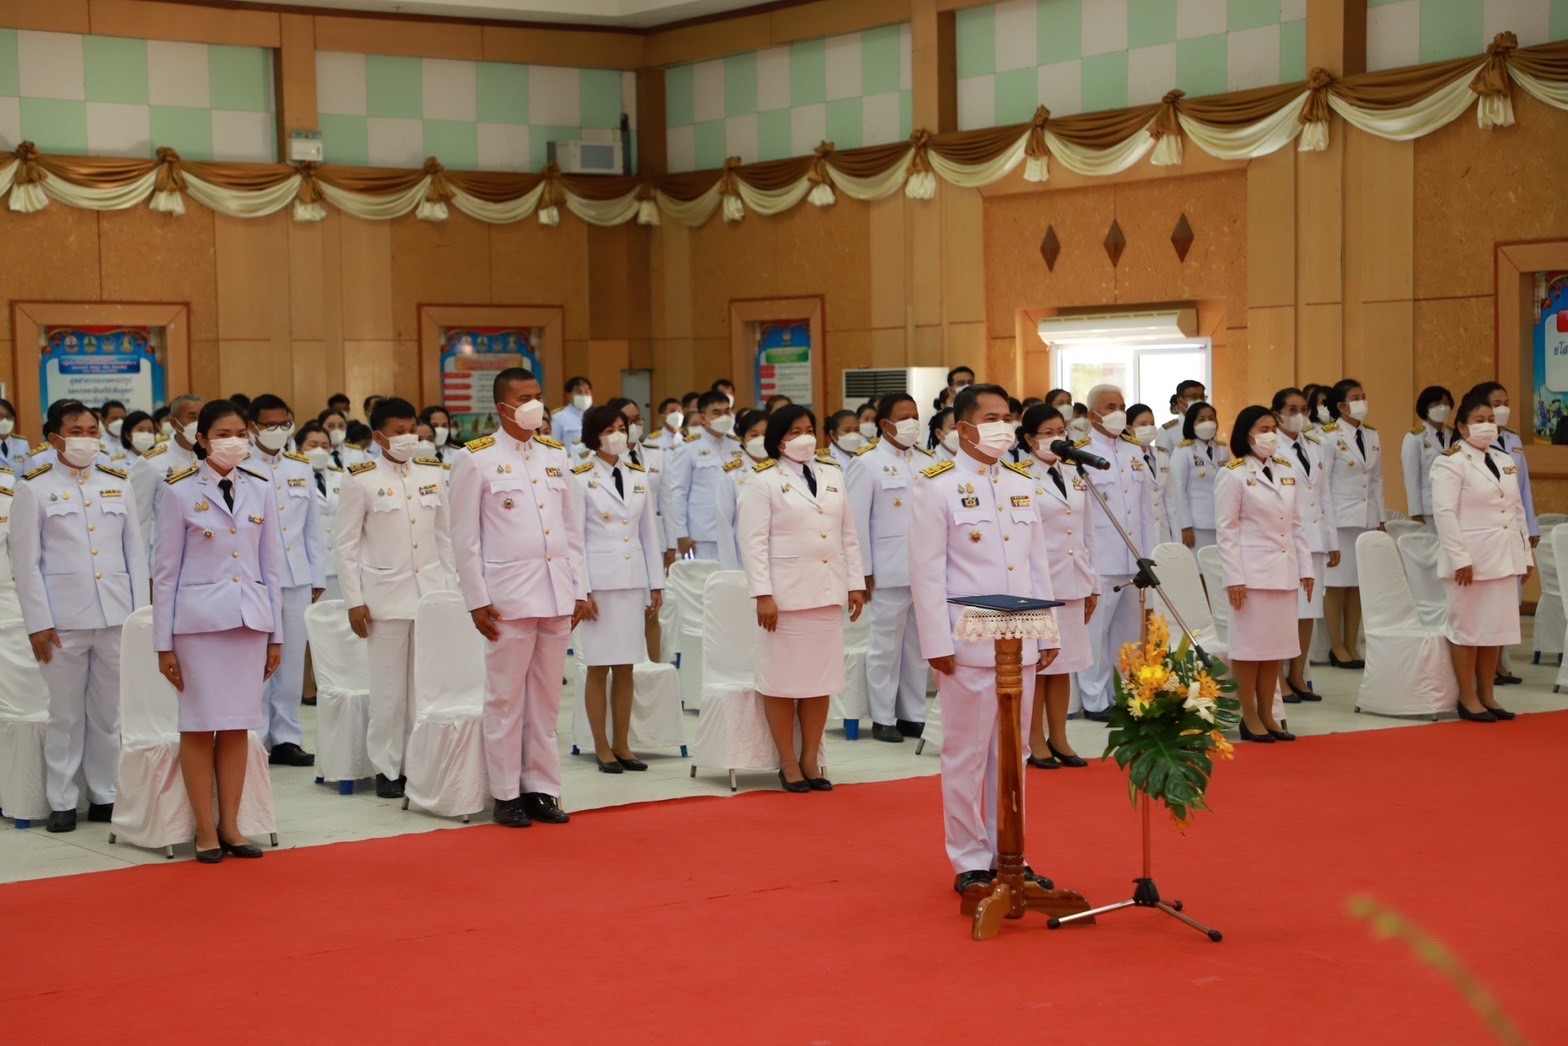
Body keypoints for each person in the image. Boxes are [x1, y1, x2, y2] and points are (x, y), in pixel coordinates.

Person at [908, 383, 1058, 891]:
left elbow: (1036, 563)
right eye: (992, 417)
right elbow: (927, 571)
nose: (1004, 426)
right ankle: (969, 859)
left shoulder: (1020, 481)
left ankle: (1008, 850)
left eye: (1008, 416)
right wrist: (937, 642)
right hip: (968, 642)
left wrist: (1047, 629)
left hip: (1020, 641)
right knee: (967, 754)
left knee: (1013, 753)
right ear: (965, 427)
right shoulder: (937, 485)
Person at [450, 368, 586, 828]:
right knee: (505, 699)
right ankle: (506, 792)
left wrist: (579, 589)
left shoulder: (555, 455)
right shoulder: (477, 458)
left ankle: (543, 789)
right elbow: (464, 538)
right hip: (507, 597)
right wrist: (476, 599)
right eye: (524, 398)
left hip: (556, 593)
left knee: (546, 700)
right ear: (503, 407)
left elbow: (572, 529)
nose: (534, 405)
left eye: (538, 396)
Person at [154, 399, 282, 862]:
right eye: (223, 434)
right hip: (198, 628)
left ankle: (231, 825)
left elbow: (272, 567)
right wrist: (162, 643)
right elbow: (165, 573)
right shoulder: (179, 491)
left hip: (249, 624)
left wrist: (277, 634)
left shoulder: (261, 488)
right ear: (202, 439)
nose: (235, 442)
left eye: (240, 434)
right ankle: (205, 830)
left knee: (237, 728)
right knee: (198, 726)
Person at [11, 401, 148, 833]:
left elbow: (135, 555)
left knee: (109, 713)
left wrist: (139, 617)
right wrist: (37, 622)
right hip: (61, 621)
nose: (87, 438)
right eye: (77, 430)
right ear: (54, 438)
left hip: (115, 615)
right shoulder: (33, 489)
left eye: (92, 430)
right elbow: (25, 563)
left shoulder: (116, 483)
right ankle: (63, 799)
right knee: (66, 715)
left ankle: (105, 793)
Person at [737, 405, 866, 791]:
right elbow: (754, 543)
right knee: (782, 682)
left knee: (818, 682)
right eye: (795, 431)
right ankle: (788, 762)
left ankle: (811, 759)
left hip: (827, 590)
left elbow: (848, 535)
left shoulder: (832, 475)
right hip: (786, 596)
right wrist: (763, 594)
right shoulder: (762, 481)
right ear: (777, 440)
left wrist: (855, 584)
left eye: (809, 429)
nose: (805, 437)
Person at [334, 397, 454, 799]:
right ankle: (388, 767)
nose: (408, 437)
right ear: (378, 436)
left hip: (431, 595)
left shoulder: (432, 473)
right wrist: (354, 599)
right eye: (398, 431)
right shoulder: (361, 477)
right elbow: (346, 545)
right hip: (384, 598)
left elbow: (445, 538)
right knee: (388, 692)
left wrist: (452, 592)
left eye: (412, 429)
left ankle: (418, 761)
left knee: (425, 688)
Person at [570, 405, 664, 773]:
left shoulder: (639, 475)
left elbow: (649, 533)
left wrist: (656, 584)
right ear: (594, 435)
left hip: (631, 581)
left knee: (626, 666)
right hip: (599, 585)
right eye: (610, 428)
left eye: (622, 427)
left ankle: (624, 744)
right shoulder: (580, 477)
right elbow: (574, 540)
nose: (618, 434)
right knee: (598, 667)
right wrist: (582, 591)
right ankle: (602, 746)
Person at [1214, 406, 1314, 743]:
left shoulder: (1286, 470)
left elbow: (1297, 524)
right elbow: (1226, 530)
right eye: (1263, 428)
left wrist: (1306, 569)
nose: (1270, 434)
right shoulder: (1233, 473)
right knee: (1249, 649)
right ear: (1247, 434)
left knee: (1275, 647)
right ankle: (1250, 715)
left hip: (1283, 573)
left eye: (1274, 427)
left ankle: (1270, 715)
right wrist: (1234, 577)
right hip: (1251, 575)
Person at [1431, 392, 1532, 721]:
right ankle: (1468, 695)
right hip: (1469, 562)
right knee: (1469, 630)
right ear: (1461, 427)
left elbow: (1516, 511)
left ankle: (1488, 693)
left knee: (1495, 631)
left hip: (1503, 557)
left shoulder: (1504, 460)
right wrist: (1460, 557)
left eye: (1491, 420)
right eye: (1479, 421)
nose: (1487, 426)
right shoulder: (1450, 461)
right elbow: (1444, 513)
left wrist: (1524, 556)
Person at [847, 392, 932, 744]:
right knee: (885, 646)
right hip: (886, 571)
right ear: (884, 424)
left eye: (915, 415)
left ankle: (912, 714)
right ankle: (883, 716)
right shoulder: (866, 463)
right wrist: (861, 572)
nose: (912, 422)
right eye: (903, 416)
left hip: (924, 570)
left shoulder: (927, 461)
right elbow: (854, 523)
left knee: (917, 647)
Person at [1016, 404, 1096, 769]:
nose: (1056, 438)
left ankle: (1059, 736)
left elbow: (1087, 531)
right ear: (1030, 438)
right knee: (1037, 665)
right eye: (1046, 433)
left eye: (1060, 430)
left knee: (1063, 665)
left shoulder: (1076, 474)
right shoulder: (1018, 477)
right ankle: (1034, 739)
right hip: (1039, 584)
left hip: (1073, 578)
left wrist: (1091, 582)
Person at [246, 394, 324, 766]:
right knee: (257, 660)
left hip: (295, 577)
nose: (278, 431)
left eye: (284, 423)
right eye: (269, 424)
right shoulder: (240, 465)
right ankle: (255, 737)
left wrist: (317, 575)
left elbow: (312, 527)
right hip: (254, 579)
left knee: (291, 662)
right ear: (252, 427)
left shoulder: (300, 466)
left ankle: (287, 737)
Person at [1077, 384, 1154, 722]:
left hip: (1132, 557)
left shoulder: (1134, 450)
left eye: (1121, 405)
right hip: (1101, 559)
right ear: (1093, 414)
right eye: (1110, 406)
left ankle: (1128, 694)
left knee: (1128, 634)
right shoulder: (1080, 453)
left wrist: (1148, 555)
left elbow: (1146, 509)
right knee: (1096, 633)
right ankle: (1095, 700)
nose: (1118, 412)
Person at [1468, 381, 1538, 688]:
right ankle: (1488, 668)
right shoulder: (1466, 450)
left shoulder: (1512, 441)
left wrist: (1530, 530)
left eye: (1506, 402)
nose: (1503, 409)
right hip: (1485, 538)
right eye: (1497, 403)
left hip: (1512, 532)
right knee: (1486, 609)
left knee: (1509, 605)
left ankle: (1501, 662)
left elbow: (1523, 491)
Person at [1272, 387, 1339, 702]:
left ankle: (1297, 675)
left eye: (1304, 409)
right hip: (1285, 541)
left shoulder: (1316, 446)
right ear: (1277, 414)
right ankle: (1278, 680)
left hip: (1314, 541)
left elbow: (1324, 496)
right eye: (1292, 409)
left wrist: (1331, 540)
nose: (1299, 416)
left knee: (1308, 611)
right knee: (1284, 612)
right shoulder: (1270, 447)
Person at [1321, 378, 1383, 669]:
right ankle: (1336, 646)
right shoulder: (1328, 436)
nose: (1362, 402)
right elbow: (1322, 484)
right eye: (1356, 397)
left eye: (1364, 395)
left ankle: (1352, 643)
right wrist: (1327, 526)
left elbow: (1377, 480)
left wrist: (1380, 518)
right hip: (1340, 521)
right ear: (1341, 406)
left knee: (1357, 586)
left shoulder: (1372, 435)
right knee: (1336, 585)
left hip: (1365, 519)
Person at [667, 390, 742, 562]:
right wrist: (681, 534)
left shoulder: (737, 446)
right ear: (702, 418)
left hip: (736, 533)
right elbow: (678, 493)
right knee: (705, 586)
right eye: (716, 412)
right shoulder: (688, 448)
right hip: (704, 536)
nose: (723, 417)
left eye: (726, 412)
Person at [131, 394, 202, 542]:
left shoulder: (214, 457)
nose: (199, 423)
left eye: (203, 417)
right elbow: (139, 521)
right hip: (168, 547)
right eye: (192, 417)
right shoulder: (152, 462)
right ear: (174, 423)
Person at [1169, 400, 1230, 550]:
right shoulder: (1183, 451)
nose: (1207, 423)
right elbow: (1178, 490)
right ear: (1191, 423)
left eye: (1211, 418)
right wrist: (1185, 526)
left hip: (1221, 522)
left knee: (1218, 570)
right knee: (1198, 571)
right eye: (1201, 420)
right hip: (1196, 525)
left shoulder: (1222, 450)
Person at [295, 422, 345, 602]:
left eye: (325, 446)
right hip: (309, 567)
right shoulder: (290, 478)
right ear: (299, 448)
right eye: (313, 445)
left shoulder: (343, 477)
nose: (319, 450)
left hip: (341, 566)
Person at [716, 409, 769, 570]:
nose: (761, 439)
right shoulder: (731, 471)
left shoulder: (782, 466)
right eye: (754, 435)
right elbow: (724, 523)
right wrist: (730, 570)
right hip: (744, 558)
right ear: (742, 438)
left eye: (765, 433)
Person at [1402, 386, 1455, 525]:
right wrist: (1416, 513)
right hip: (1428, 509)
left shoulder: (1454, 435)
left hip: (1453, 505)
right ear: (1426, 407)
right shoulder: (1415, 438)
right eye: (1436, 404)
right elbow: (1411, 478)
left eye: (1446, 403)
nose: (1442, 407)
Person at [1126, 403, 1174, 545]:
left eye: (1152, 423)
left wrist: (1176, 538)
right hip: (1138, 531)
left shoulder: (1162, 455)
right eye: (1143, 424)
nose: (1149, 427)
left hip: (1163, 531)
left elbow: (1170, 501)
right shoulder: (1125, 457)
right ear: (1129, 429)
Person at [1157, 380, 1207, 454]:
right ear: (1180, 401)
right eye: (1194, 397)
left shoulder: (1207, 425)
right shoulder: (1167, 431)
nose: (1199, 401)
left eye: (1202, 397)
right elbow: (1163, 462)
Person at [552, 376, 593, 457]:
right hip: (570, 465)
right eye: (579, 392)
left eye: (587, 391)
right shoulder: (558, 417)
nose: (584, 395)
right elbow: (554, 446)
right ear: (568, 395)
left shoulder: (595, 416)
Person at [0, 398, 29, 470]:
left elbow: (28, 474)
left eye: (8, 417)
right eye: (0, 417)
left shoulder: (22, 444)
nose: (4, 421)